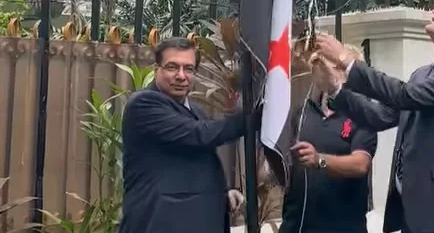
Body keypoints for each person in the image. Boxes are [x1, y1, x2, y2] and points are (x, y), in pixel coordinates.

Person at [314, 0, 434, 233]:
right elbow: (377, 116)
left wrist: (346, 59)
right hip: (417, 214)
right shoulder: (422, 74)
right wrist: (335, 87)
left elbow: (404, 95)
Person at [119, 37, 249, 233]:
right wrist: (252, 117)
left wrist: (221, 195)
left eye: (188, 69)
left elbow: (188, 167)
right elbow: (201, 134)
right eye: (172, 67)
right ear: (156, 70)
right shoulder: (143, 104)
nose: (181, 76)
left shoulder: (196, 111)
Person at [280, 46, 378, 233]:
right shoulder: (303, 112)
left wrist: (321, 160)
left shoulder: (364, 114)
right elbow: (287, 163)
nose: (327, 68)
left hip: (343, 225)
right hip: (297, 225)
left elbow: (360, 164)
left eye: (337, 66)